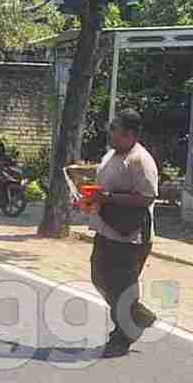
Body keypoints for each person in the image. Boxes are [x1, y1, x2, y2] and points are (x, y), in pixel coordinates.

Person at [89, 109, 160, 357]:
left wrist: (107, 197)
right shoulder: (111, 155)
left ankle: (123, 335)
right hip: (106, 230)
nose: (110, 133)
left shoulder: (141, 160)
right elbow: (104, 188)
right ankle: (137, 315)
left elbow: (146, 197)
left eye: (114, 129)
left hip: (130, 237)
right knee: (99, 278)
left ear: (129, 134)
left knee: (122, 287)